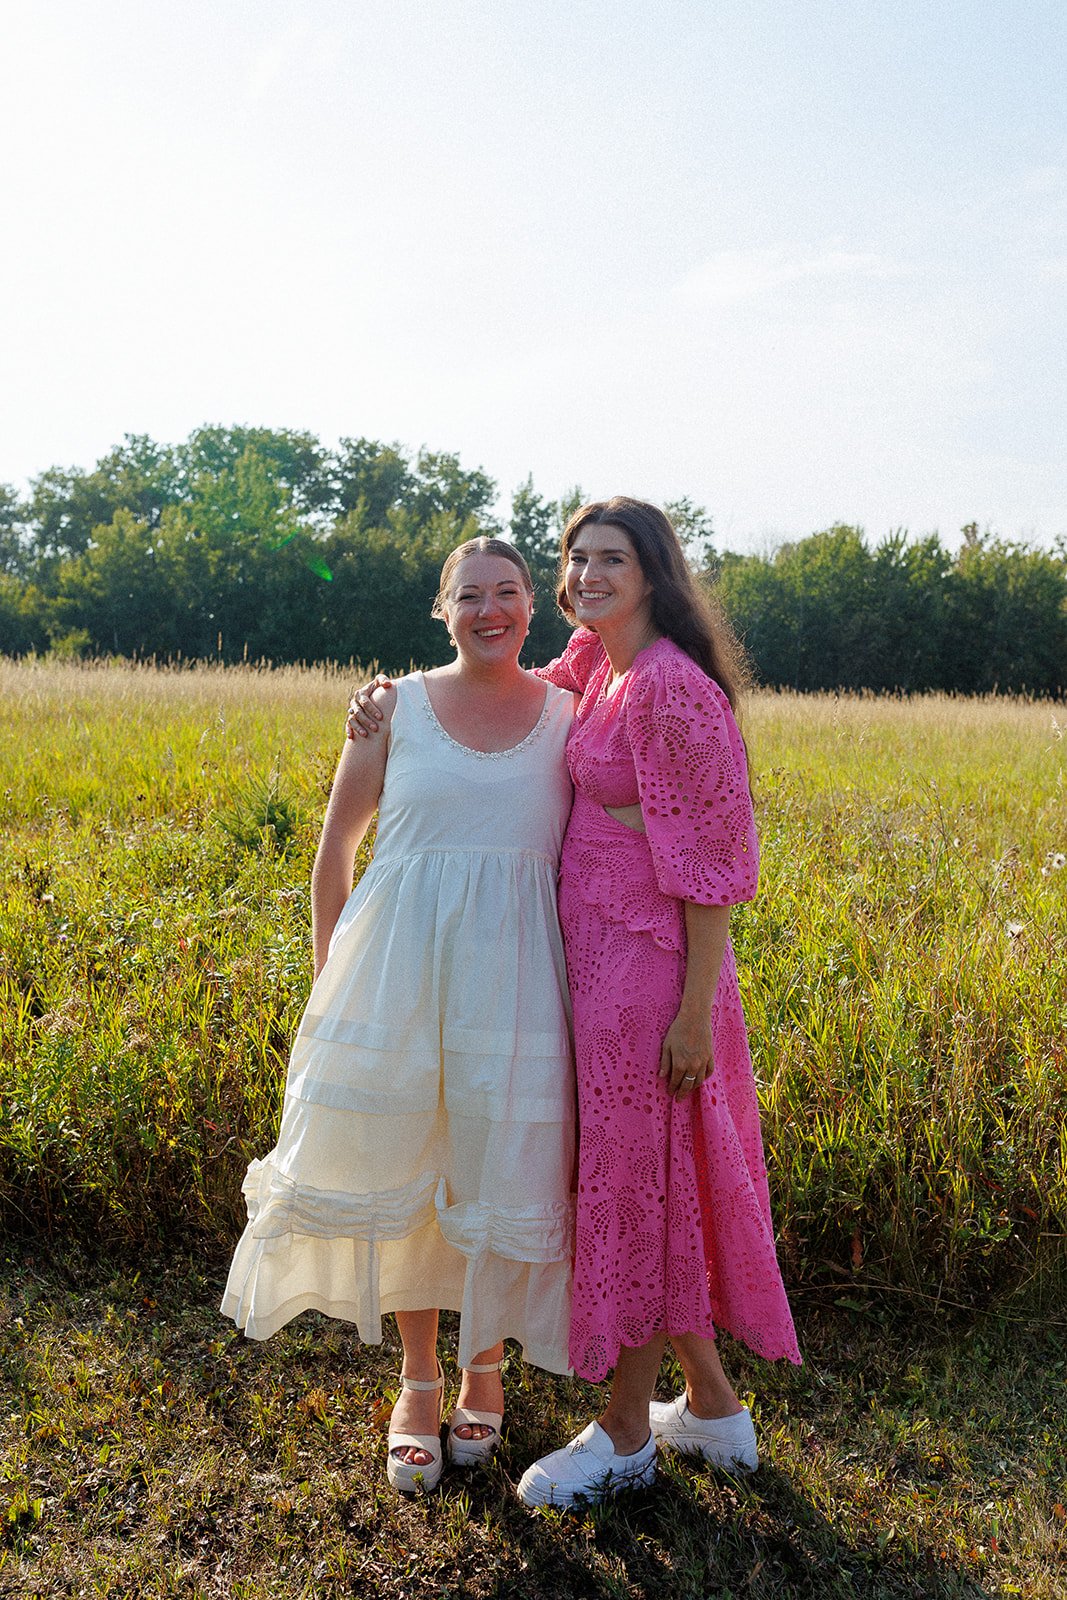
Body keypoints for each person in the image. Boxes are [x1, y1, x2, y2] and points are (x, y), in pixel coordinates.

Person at [347, 498, 801, 1509]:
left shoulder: (671, 689)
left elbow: (716, 866)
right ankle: (715, 1408)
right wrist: (391, 701)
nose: (590, 574)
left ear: (654, 573)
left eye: (613, 558)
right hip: (585, 965)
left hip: (649, 973)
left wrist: (690, 1012)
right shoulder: (596, 666)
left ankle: (627, 1432)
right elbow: (500, 693)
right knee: (647, 1178)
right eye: (577, 557)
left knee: (636, 1187)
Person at [221, 537, 577, 1496]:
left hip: (515, 979)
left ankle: (484, 1367)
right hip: (396, 973)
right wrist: (329, 974)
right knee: (407, 1165)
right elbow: (335, 846)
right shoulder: (392, 708)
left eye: (506, 592)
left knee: (497, 1163)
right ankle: (419, 1381)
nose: (488, 609)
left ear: (532, 607)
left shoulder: (570, 717)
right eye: (469, 594)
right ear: (441, 608)